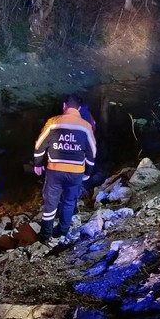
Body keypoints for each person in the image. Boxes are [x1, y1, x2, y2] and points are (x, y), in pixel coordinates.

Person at [33, 93, 97, 242]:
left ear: (64, 106)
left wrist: (37, 163)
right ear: (79, 109)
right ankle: (62, 232)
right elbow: (92, 152)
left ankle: (45, 235)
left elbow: (39, 145)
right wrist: (88, 172)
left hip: (55, 170)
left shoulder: (53, 122)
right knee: (69, 202)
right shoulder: (86, 127)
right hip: (76, 172)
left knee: (51, 202)